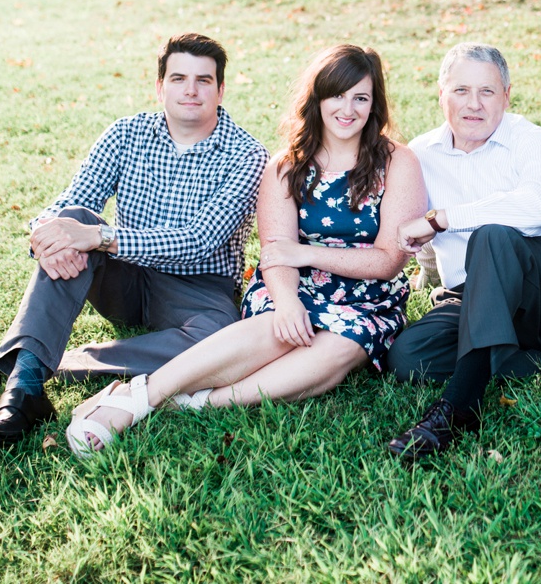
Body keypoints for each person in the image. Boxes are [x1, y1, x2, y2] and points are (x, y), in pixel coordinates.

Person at [64, 44, 426, 456]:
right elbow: (276, 253)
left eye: (361, 97)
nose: (348, 109)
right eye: (337, 95)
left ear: (374, 103)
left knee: (344, 345)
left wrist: (306, 253)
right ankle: (137, 397)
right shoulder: (285, 167)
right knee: (281, 326)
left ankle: (195, 403)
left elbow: (388, 260)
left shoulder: (398, 162)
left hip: (368, 301)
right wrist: (288, 302)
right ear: (318, 99)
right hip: (291, 285)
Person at [0, 33, 269, 448]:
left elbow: (200, 240)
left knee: (222, 343)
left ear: (221, 89)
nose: (190, 90)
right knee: (73, 220)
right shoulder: (126, 134)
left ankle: (41, 363)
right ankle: (22, 396)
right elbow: (71, 204)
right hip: (124, 278)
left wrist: (100, 237)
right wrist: (43, 234)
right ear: (159, 87)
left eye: (203, 80)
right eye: (178, 78)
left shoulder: (246, 154)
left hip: (198, 290)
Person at [384, 42, 541, 463]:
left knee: (492, 238)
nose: (474, 104)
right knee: (408, 358)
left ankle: (457, 409)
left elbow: (535, 208)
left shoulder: (533, 141)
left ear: (507, 95)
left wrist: (441, 218)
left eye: (487, 92)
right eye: (461, 91)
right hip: (474, 294)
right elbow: (406, 229)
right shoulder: (422, 153)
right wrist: (425, 271)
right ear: (441, 93)